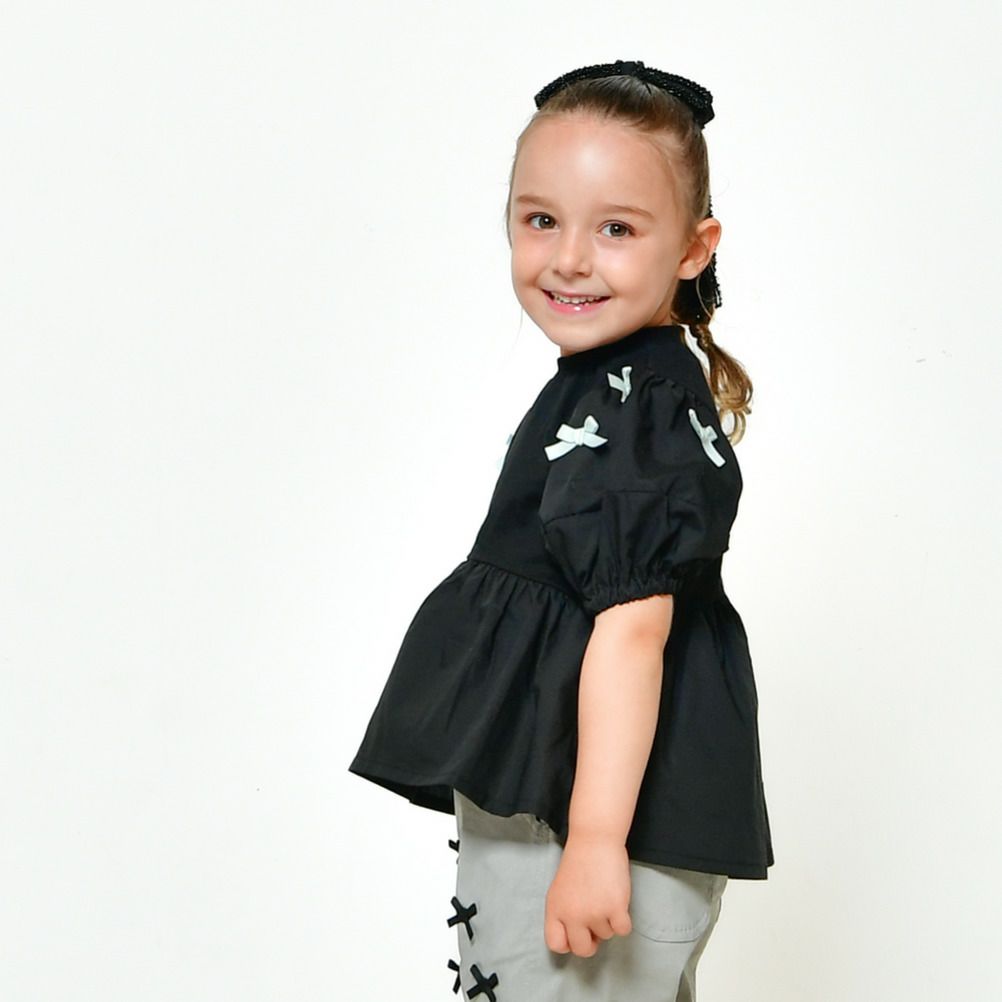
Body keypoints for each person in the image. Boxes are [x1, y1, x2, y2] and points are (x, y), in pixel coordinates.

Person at [348, 59, 773, 1001]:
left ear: (694, 248)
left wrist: (593, 842)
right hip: (560, 802)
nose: (569, 259)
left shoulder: (635, 405)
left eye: (616, 228)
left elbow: (633, 632)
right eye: (541, 219)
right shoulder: (618, 384)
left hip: (583, 818)